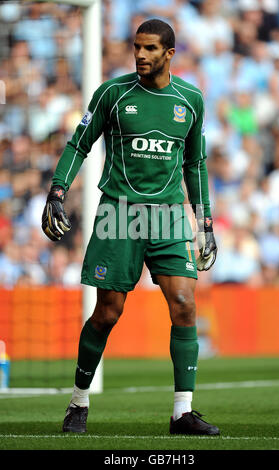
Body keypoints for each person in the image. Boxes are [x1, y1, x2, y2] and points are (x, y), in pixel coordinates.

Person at [42, 19, 219, 436]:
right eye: (137, 47)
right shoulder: (113, 93)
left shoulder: (190, 99)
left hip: (170, 214)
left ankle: (182, 413)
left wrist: (205, 221)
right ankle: (78, 401)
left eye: (150, 48)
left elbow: (195, 163)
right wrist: (57, 190)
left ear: (169, 54)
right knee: (107, 312)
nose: (140, 54)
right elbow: (78, 143)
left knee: (185, 303)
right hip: (118, 213)